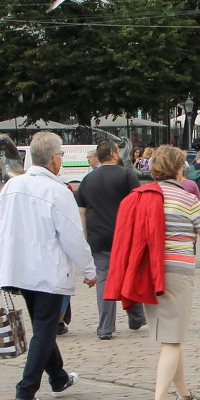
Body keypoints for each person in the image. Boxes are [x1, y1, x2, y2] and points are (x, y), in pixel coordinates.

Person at [105, 145, 200, 400]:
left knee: (173, 333)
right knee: (172, 340)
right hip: (177, 272)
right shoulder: (186, 199)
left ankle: (183, 391)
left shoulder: (140, 196)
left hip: (148, 271)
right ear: (178, 168)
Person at [0, 131, 96, 400]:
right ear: (53, 160)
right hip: (47, 270)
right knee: (45, 330)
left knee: (43, 326)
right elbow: (72, 235)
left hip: (19, 268)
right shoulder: (57, 191)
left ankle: (59, 377)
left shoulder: (12, 186)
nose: (61, 159)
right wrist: (88, 268)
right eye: (61, 154)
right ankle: (25, 390)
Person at [74, 140, 141, 340]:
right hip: (123, 235)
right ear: (113, 153)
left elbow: (81, 211)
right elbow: (138, 203)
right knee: (129, 274)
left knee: (103, 278)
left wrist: (86, 238)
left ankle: (105, 327)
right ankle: (136, 315)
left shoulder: (88, 180)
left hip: (98, 236)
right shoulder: (127, 175)